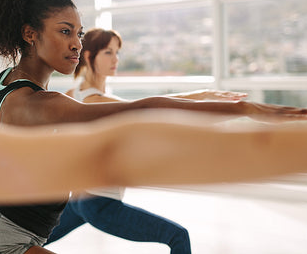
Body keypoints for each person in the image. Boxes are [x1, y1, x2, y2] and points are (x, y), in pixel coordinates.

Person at [0, 0, 307, 254]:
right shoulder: (40, 106)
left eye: (79, 32)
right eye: (65, 32)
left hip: (4, 222)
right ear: (29, 34)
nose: (77, 44)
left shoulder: (1, 84)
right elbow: (141, 109)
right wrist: (243, 109)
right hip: (7, 235)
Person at [45, 27, 195, 253]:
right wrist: (203, 98)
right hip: (99, 203)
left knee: (29, 242)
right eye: (108, 52)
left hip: (78, 199)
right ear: (88, 56)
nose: (116, 59)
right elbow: (155, 106)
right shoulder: (99, 101)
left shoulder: (71, 95)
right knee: (177, 237)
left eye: (117, 52)